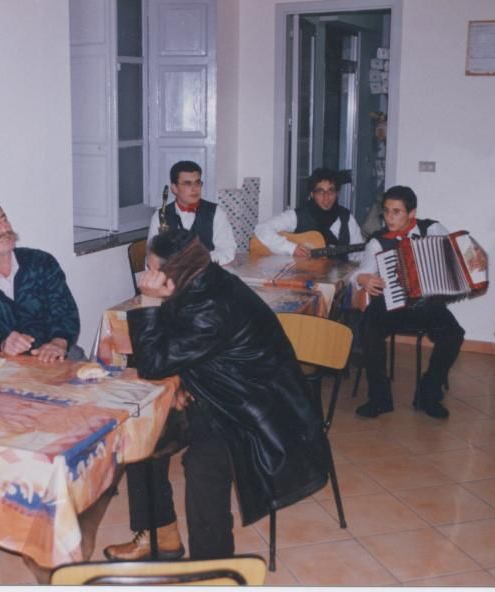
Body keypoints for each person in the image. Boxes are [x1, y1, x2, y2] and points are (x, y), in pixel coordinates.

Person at [103, 230, 330, 561]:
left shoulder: (211, 305)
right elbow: (180, 346)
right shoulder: (202, 281)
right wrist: (183, 380)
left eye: (151, 268)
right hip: (220, 391)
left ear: (173, 272)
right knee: (141, 435)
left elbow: (153, 363)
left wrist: (150, 300)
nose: (145, 276)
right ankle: (160, 535)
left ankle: (213, 568)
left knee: (202, 467)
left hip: (253, 410)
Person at [351, 185, 465, 419]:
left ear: (412, 213)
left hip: (428, 305)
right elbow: (359, 273)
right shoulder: (378, 242)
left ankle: (428, 393)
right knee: (368, 328)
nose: (389, 218)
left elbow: (457, 254)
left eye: (396, 212)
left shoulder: (431, 229)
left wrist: (472, 260)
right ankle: (379, 399)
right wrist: (363, 279)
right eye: (386, 211)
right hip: (392, 305)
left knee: (454, 335)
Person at [0, 196, 81, 360]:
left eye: (4, 220)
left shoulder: (41, 262)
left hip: (58, 358)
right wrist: (2, 344)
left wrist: (58, 343)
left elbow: (65, 312)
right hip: (5, 367)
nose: (3, 229)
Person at [253, 167, 364, 260]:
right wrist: (291, 248)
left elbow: (359, 256)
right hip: (303, 276)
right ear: (312, 194)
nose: (326, 197)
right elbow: (262, 228)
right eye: (320, 191)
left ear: (337, 193)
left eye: (331, 191)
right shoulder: (298, 216)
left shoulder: (347, 218)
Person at [147, 160, 237, 266]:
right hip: (173, 275)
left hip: (206, 273)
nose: (195, 189)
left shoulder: (216, 212)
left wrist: (194, 262)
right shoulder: (159, 216)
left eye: (197, 183)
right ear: (174, 188)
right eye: (187, 184)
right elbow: (151, 258)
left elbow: (227, 251)